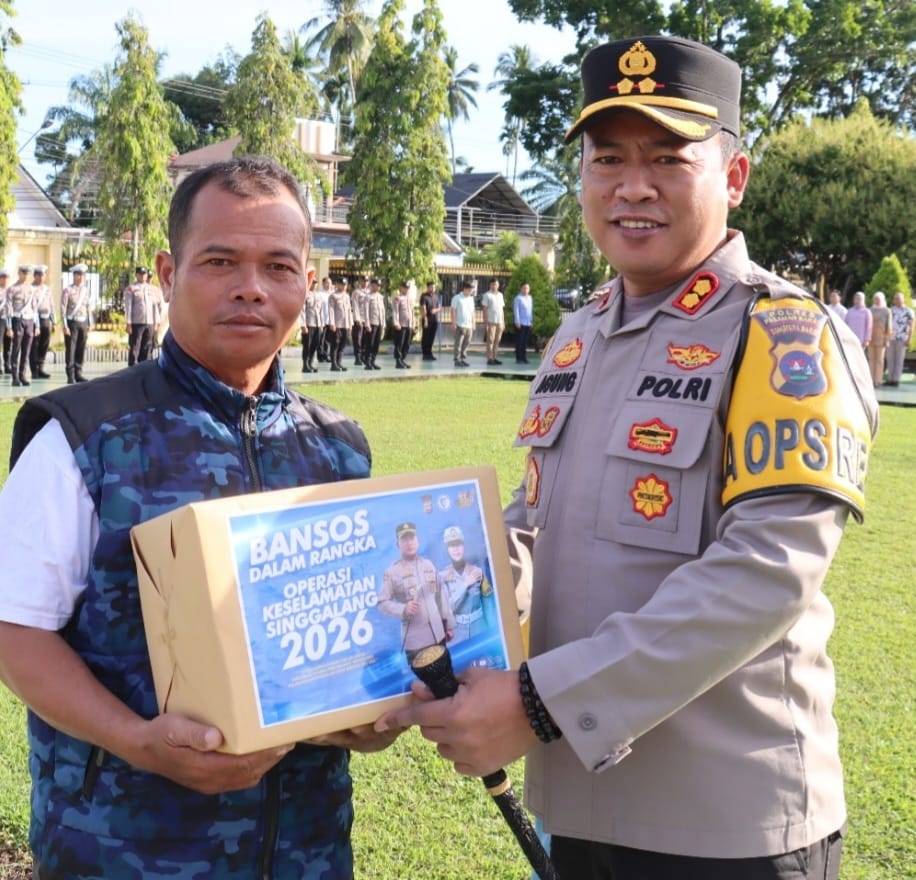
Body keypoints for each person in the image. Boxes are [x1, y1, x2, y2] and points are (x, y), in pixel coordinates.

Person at [377, 35, 878, 880]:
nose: (631, 185)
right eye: (607, 158)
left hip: (727, 830)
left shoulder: (783, 334)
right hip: (582, 804)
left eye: (667, 159)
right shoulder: (579, 335)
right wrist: (441, 616)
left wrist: (537, 704)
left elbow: (767, 569)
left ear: (734, 176)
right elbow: (538, 529)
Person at [0, 156, 399, 880]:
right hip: (125, 849)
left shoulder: (337, 448)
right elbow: (14, 627)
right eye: (220, 260)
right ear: (166, 271)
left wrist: (367, 712)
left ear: (309, 282)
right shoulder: (86, 435)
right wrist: (137, 738)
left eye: (279, 266)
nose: (251, 287)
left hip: (305, 849)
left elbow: (347, 638)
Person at [378, 522, 454, 663]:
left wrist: (448, 625)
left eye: (412, 538)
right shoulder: (392, 572)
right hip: (416, 643)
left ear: (417, 541)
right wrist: (403, 609)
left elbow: (440, 595)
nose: (409, 543)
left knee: (446, 675)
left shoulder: (428, 565)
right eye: (404, 539)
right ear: (398, 544)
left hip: (438, 635)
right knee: (427, 681)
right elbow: (382, 603)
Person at [438, 526, 492, 644]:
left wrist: (493, 631)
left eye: (459, 544)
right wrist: (465, 584)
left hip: (480, 627)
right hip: (458, 633)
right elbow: (447, 610)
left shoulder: (477, 572)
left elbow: (489, 607)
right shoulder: (442, 577)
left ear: (464, 546)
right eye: (452, 545)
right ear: (447, 549)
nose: (456, 549)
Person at [123, 265, 164, 366]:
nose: (143, 276)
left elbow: (156, 305)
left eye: (144, 274)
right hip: (136, 322)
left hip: (149, 322)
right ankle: (133, 371)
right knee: (135, 347)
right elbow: (128, 307)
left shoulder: (152, 289)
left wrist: (157, 321)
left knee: (147, 346)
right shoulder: (131, 289)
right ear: (136, 275)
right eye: (140, 274)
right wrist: (128, 323)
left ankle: (144, 369)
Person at [6, 264, 37, 386]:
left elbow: (34, 307)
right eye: (23, 273)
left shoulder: (31, 289)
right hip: (17, 320)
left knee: (26, 350)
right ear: (19, 273)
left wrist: (37, 325)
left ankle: (22, 375)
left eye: (27, 273)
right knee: (16, 349)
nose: (25, 275)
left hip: (29, 321)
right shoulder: (12, 289)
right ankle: (15, 377)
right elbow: (8, 309)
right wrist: (9, 327)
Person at [60, 263, 92, 383]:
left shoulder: (86, 290)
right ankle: (70, 375)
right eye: (79, 274)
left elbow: (88, 306)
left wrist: (90, 322)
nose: (81, 277)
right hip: (71, 322)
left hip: (83, 322)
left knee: (81, 348)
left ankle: (78, 373)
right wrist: (64, 325)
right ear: (74, 276)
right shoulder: (67, 290)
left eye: (83, 274)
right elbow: (63, 309)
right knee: (71, 349)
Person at [29, 265, 56, 379]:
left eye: (43, 275)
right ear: (35, 276)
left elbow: (51, 305)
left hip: (46, 320)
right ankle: (34, 370)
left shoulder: (47, 289)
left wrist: (53, 322)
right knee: (34, 345)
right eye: (38, 275)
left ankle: (41, 368)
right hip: (35, 319)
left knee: (44, 345)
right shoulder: (30, 288)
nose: (41, 277)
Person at [885, 291, 913, 387]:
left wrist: (909, 339)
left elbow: (912, 326)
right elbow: (887, 325)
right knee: (890, 359)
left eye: (898, 298)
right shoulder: (891, 310)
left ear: (903, 299)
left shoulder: (908, 311)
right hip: (891, 338)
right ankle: (890, 379)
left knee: (899, 360)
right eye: (895, 298)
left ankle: (896, 380)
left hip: (902, 339)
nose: (896, 300)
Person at [327, 276, 353, 372]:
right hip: (337, 324)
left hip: (345, 324)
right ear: (337, 284)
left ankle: (339, 362)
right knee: (335, 344)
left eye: (345, 285)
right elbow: (331, 310)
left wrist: (350, 324)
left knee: (342, 345)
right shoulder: (333, 296)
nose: (343, 286)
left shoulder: (346, 296)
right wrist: (332, 323)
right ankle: (333, 364)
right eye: (341, 284)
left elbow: (349, 311)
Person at [867, 291, 892, 387]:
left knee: (879, 360)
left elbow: (889, 326)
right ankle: (870, 380)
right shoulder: (870, 310)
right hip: (870, 338)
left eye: (878, 299)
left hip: (881, 339)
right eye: (875, 299)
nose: (876, 301)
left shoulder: (886, 311)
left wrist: (887, 339)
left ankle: (877, 380)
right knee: (871, 359)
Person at [361, 277, 386, 371]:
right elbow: (366, 311)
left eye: (379, 285)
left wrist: (383, 325)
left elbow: (382, 312)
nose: (378, 287)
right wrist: (367, 324)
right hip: (371, 323)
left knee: (376, 344)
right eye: (376, 285)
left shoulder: (380, 296)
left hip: (379, 323)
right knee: (369, 343)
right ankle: (367, 362)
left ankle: (373, 361)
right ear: (372, 285)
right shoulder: (368, 296)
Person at [300, 276, 322, 372]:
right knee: (307, 345)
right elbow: (302, 310)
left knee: (314, 344)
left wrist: (321, 324)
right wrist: (303, 324)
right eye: (312, 282)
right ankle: (305, 365)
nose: (314, 285)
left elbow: (320, 311)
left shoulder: (318, 295)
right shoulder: (305, 294)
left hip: (317, 323)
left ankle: (310, 363)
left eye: (315, 283)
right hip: (308, 323)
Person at [452, 280, 475, 367]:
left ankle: (462, 358)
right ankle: (457, 360)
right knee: (458, 343)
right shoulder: (457, 298)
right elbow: (453, 310)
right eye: (469, 290)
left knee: (467, 342)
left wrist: (474, 322)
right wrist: (453, 322)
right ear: (464, 289)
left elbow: (472, 311)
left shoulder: (471, 299)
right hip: (460, 324)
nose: (470, 291)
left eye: (471, 290)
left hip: (469, 324)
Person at [482, 278, 505, 365]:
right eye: (493, 284)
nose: (495, 286)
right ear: (490, 285)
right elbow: (484, 309)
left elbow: (502, 309)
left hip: (499, 321)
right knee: (490, 340)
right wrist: (485, 321)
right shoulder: (487, 295)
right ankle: (489, 358)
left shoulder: (500, 295)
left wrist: (503, 321)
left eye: (496, 284)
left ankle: (495, 357)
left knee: (497, 340)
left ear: (498, 285)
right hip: (491, 321)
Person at [391, 281, 414, 369]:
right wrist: (396, 322)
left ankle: (402, 359)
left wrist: (412, 324)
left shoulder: (410, 298)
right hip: (401, 324)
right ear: (401, 288)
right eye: (405, 288)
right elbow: (395, 311)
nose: (406, 290)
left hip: (408, 324)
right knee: (399, 343)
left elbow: (411, 312)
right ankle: (398, 361)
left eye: (407, 288)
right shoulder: (398, 298)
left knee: (407, 343)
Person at [419, 280, 441, 360]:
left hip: (434, 320)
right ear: (428, 287)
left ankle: (429, 352)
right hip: (427, 319)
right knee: (426, 337)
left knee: (432, 337)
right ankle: (425, 354)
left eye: (434, 287)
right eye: (432, 287)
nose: (433, 288)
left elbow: (439, 307)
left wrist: (436, 310)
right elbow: (423, 308)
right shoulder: (424, 296)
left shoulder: (436, 296)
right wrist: (425, 319)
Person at [513, 282, 534, 364]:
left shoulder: (530, 298)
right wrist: (517, 321)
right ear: (521, 288)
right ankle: (519, 358)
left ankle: (524, 357)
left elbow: (530, 310)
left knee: (525, 342)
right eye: (524, 288)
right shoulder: (518, 298)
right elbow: (516, 310)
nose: (526, 290)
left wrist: (531, 320)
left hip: (528, 322)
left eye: (527, 288)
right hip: (521, 322)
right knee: (519, 341)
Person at [351, 275, 369, 366]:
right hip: (360, 319)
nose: (365, 283)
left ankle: (364, 357)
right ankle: (357, 357)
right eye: (363, 281)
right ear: (360, 282)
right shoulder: (356, 292)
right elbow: (355, 306)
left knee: (366, 340)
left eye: (366, 281)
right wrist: (357, 319)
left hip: (368, 320)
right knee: (358, 340)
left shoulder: (369, 292)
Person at [0, 268, 10, 373]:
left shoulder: (10, 290)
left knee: (8, 344)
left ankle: (7, 365)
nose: (5, 279)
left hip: (9, 320)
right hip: (0, 320)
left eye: (7, 277)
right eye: (3, 277)